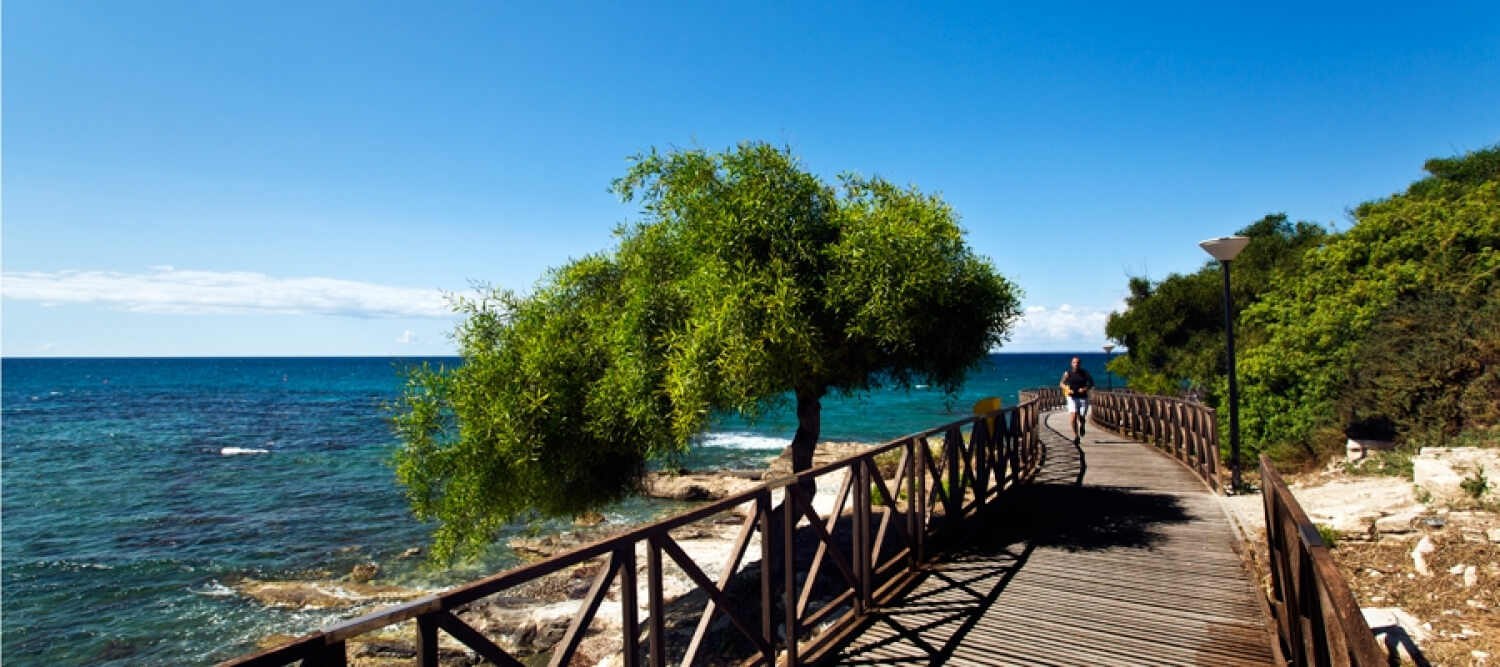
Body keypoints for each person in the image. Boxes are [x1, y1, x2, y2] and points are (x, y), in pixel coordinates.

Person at [1060, 356, 1095, 444]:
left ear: (1080, 364)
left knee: (1081, 416)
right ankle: (1076, 436)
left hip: (1083, 397)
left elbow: (1092, 383)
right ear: (1071, 364)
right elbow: (1061, 383)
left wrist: (1085, 389)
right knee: (1073, 416)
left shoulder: (1085, 373)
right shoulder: (1067, 373)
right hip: (1072, 397)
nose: (1076, 364)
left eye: (1078, 363)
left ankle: (1082, 425)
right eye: (1074, 363)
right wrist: (1067, 390)